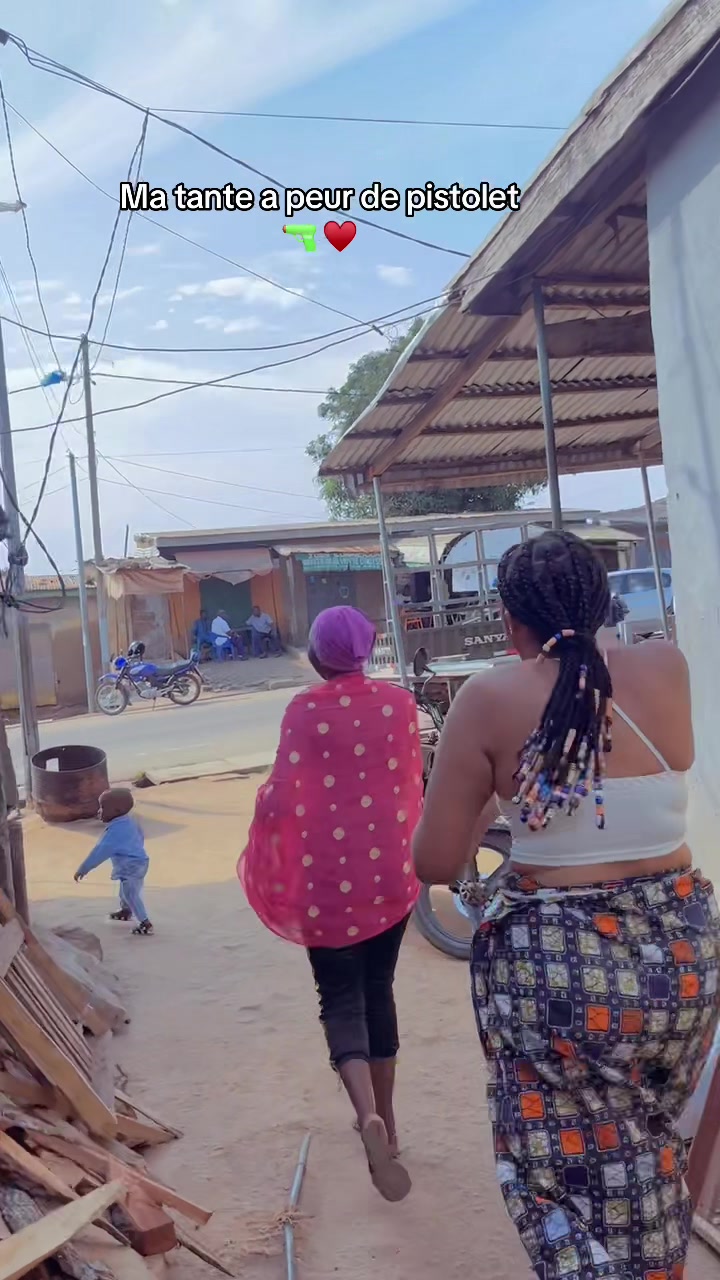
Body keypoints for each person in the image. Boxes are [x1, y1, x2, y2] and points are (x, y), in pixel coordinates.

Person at [412, 530, 718, 1280]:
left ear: (509, 619)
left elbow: (436, 862)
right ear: (604, 601)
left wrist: (491, 790)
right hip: (682, 962)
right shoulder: (667, 666)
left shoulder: (488, 698)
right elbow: (602, 764)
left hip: (563, 976)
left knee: (562, 1176)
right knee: (648, 1146)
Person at [239, 605, 423, 1202]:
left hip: (325, 884)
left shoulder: (304, 710)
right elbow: (410, 785)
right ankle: (390, 1123)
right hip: (389, 876)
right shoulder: (399, 705)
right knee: (379, 991)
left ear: (318, 656)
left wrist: (268, 836)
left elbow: (282, 795)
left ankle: (365, 1113)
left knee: (340, 999)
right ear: (366, 650)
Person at [74, 789, 153, 936]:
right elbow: (140, 836)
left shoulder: (115, 832)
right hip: (139, 861)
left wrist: (83, 869)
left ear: (117, 810)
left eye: (103, 807)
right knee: (125, 890)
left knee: (131, 894)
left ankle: (145, 923)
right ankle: (126, 911)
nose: (99, 811)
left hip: (131, 866)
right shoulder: (129, 821)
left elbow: (99, 852)